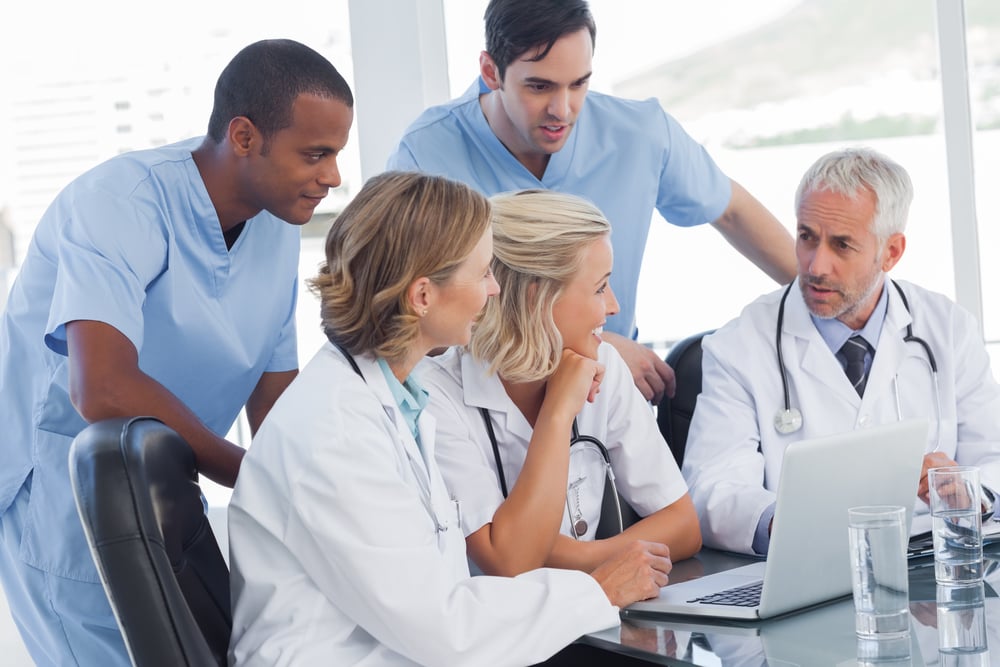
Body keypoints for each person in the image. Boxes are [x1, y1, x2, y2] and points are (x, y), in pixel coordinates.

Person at [0, 39, 354, 665]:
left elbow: (277, 405)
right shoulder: (121, 203)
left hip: (168, 487)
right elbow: (102, 388)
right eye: (315, 154)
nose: (332, 176)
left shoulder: (275, 226)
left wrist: (336, 496)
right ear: (244, 136)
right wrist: (249, 475)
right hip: (62, 489)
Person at [227, 171, 672, 666]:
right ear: (422, 296)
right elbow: (446, 630)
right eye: (483, 273)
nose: (496, 290)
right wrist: (596, 592)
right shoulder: (336, 433)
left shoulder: (393, 399)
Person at [387, 0, 796, 403]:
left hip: (611, 396)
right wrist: (592, 348)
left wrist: (838, 304)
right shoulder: (424, 154)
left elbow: (732, 211)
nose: (562, 110)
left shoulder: (641, 133)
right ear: (491, 71)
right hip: (474, 399)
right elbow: (407, 309)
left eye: (578, 83)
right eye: (539, 86)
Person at [681, 147, 1000, 556]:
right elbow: (711, 487)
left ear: (891, 252)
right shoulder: (739, 345)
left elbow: (993, 456)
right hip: (806, 566)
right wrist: (790, 522)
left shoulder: (948, 328)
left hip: (935, 564)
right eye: (806, 237)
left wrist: (966, 489)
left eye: (842, 245)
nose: (815, 266)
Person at [420, 189, 700, 580]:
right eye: (600, 287)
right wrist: (557, 411)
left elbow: (684, 525)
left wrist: (587, 557)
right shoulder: (434, 398)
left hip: (590, 614)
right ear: (538, 299)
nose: (613, 306)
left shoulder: (604, 365)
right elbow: (510, 563)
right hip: (494, 631)